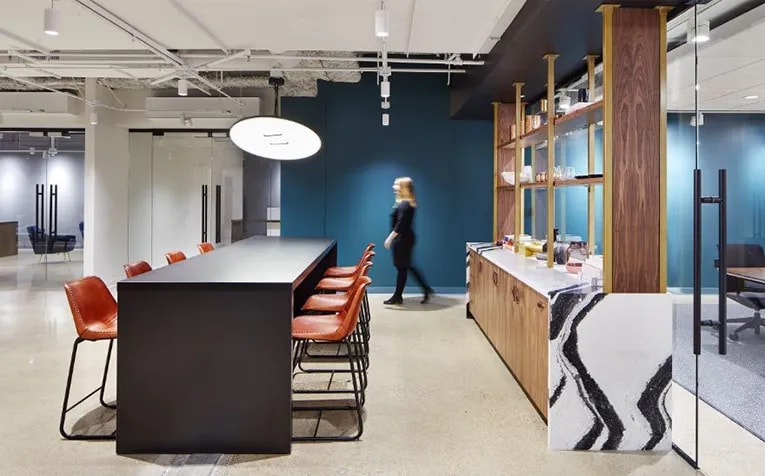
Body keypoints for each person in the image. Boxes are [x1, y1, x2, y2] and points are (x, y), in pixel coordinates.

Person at [383, 177, 433, 305]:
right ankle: (422, 289)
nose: (394, 187)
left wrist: (389, 238)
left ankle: (398, 296)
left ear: (403, 187)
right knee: (405, 267)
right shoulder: (405, 203)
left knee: (403, 267)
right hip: (405, 239)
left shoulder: (405, 204)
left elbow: (401, 224)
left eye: (397, 185)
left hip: (402, 240)